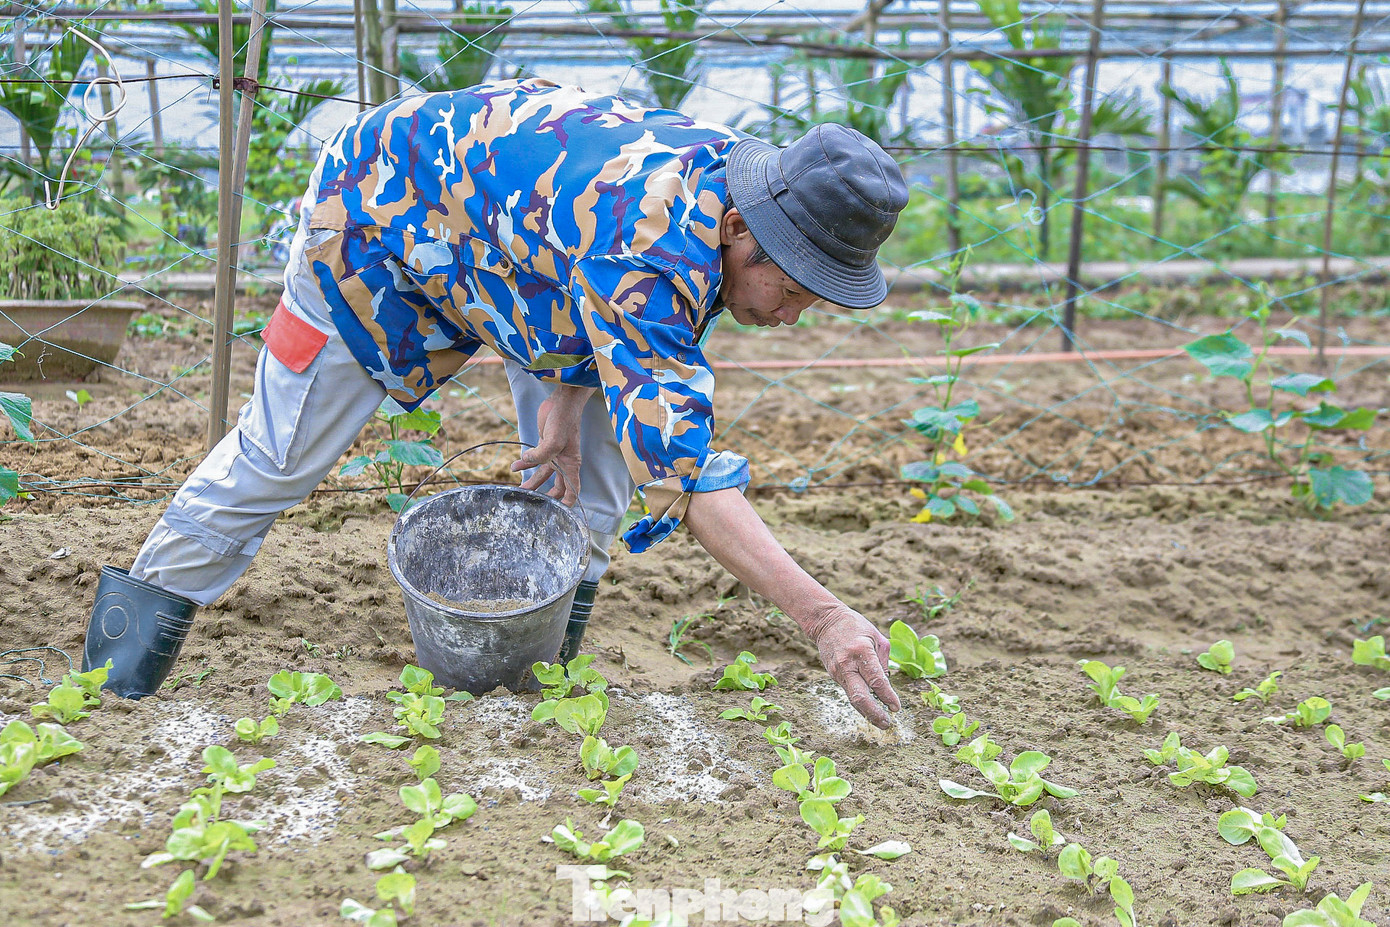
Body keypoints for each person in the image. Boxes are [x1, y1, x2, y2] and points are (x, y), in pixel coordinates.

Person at [81, 78, 909, 729]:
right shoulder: (654, 245)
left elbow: (569, 260)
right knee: (281, 454)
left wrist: (560, 407)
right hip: (375, 211)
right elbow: (687, 478)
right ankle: (113, 677)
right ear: (739, 226)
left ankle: (534, 677)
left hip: (502, 251)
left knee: (586, 476)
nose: (793, 314)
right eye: (794, 287)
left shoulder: (722, 198)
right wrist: (824, 617)